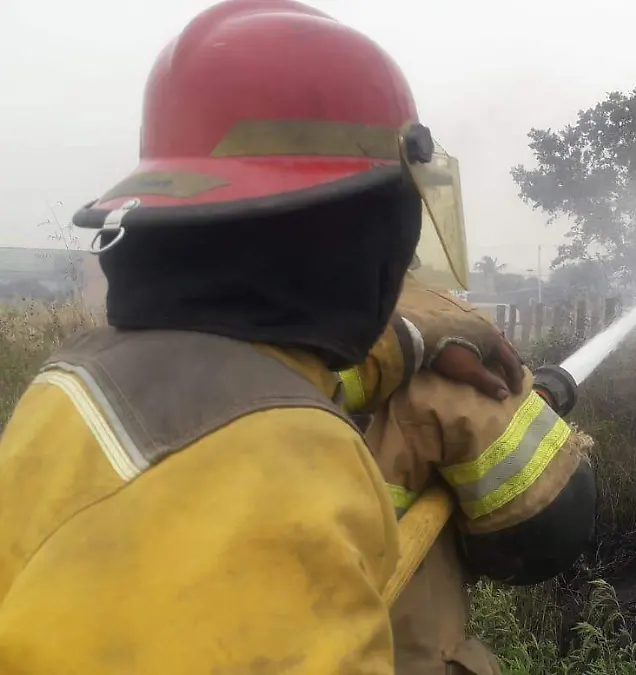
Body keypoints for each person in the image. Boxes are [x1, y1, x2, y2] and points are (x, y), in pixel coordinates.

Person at [0, 1, 520, 673]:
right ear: (362, 235)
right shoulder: (290, 460)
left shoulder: (67, 387)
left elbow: (249, 378)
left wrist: (416, 339)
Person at [358, 275, 598, 675]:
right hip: (396, 653)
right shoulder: (430, 320)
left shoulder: (251, 358)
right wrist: (411, 336)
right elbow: (554, 519)